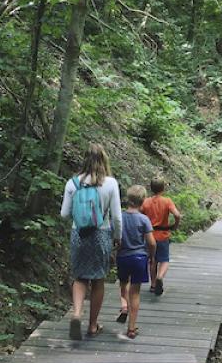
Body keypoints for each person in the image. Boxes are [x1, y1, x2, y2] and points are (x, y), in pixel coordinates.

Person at [60, 144, 121, 340]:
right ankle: (93, 325)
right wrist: (117, 237)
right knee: (97, 279)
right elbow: (117, 217)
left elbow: (64, 214)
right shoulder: (110, 183)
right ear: (104, 160)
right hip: (100, 235)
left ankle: (77, 313)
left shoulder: (72, 183)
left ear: (84, 159)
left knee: (79, 277)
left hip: (78, 234)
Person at [116, 185, 156, 339]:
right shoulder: (143, 219)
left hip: (123, 257)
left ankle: (124, 305)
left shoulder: (120, 217)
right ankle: (131, 328)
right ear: (143, 201)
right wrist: (151, 256)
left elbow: (115, 237)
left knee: (123, 283)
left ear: (128, 199)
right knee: (136, 292)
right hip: (139, 257)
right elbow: (151, 242)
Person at [140, 177, 181, 296]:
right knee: (164, 260)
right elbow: (177, 215)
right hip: (163, 235)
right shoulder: (167, 201)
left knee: (152, 260)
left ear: (151, 188)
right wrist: (174, 225)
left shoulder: (146, 202)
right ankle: (160, 277)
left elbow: (140, 215)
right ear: (163, 188)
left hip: (149, 236)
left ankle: (153, 285)